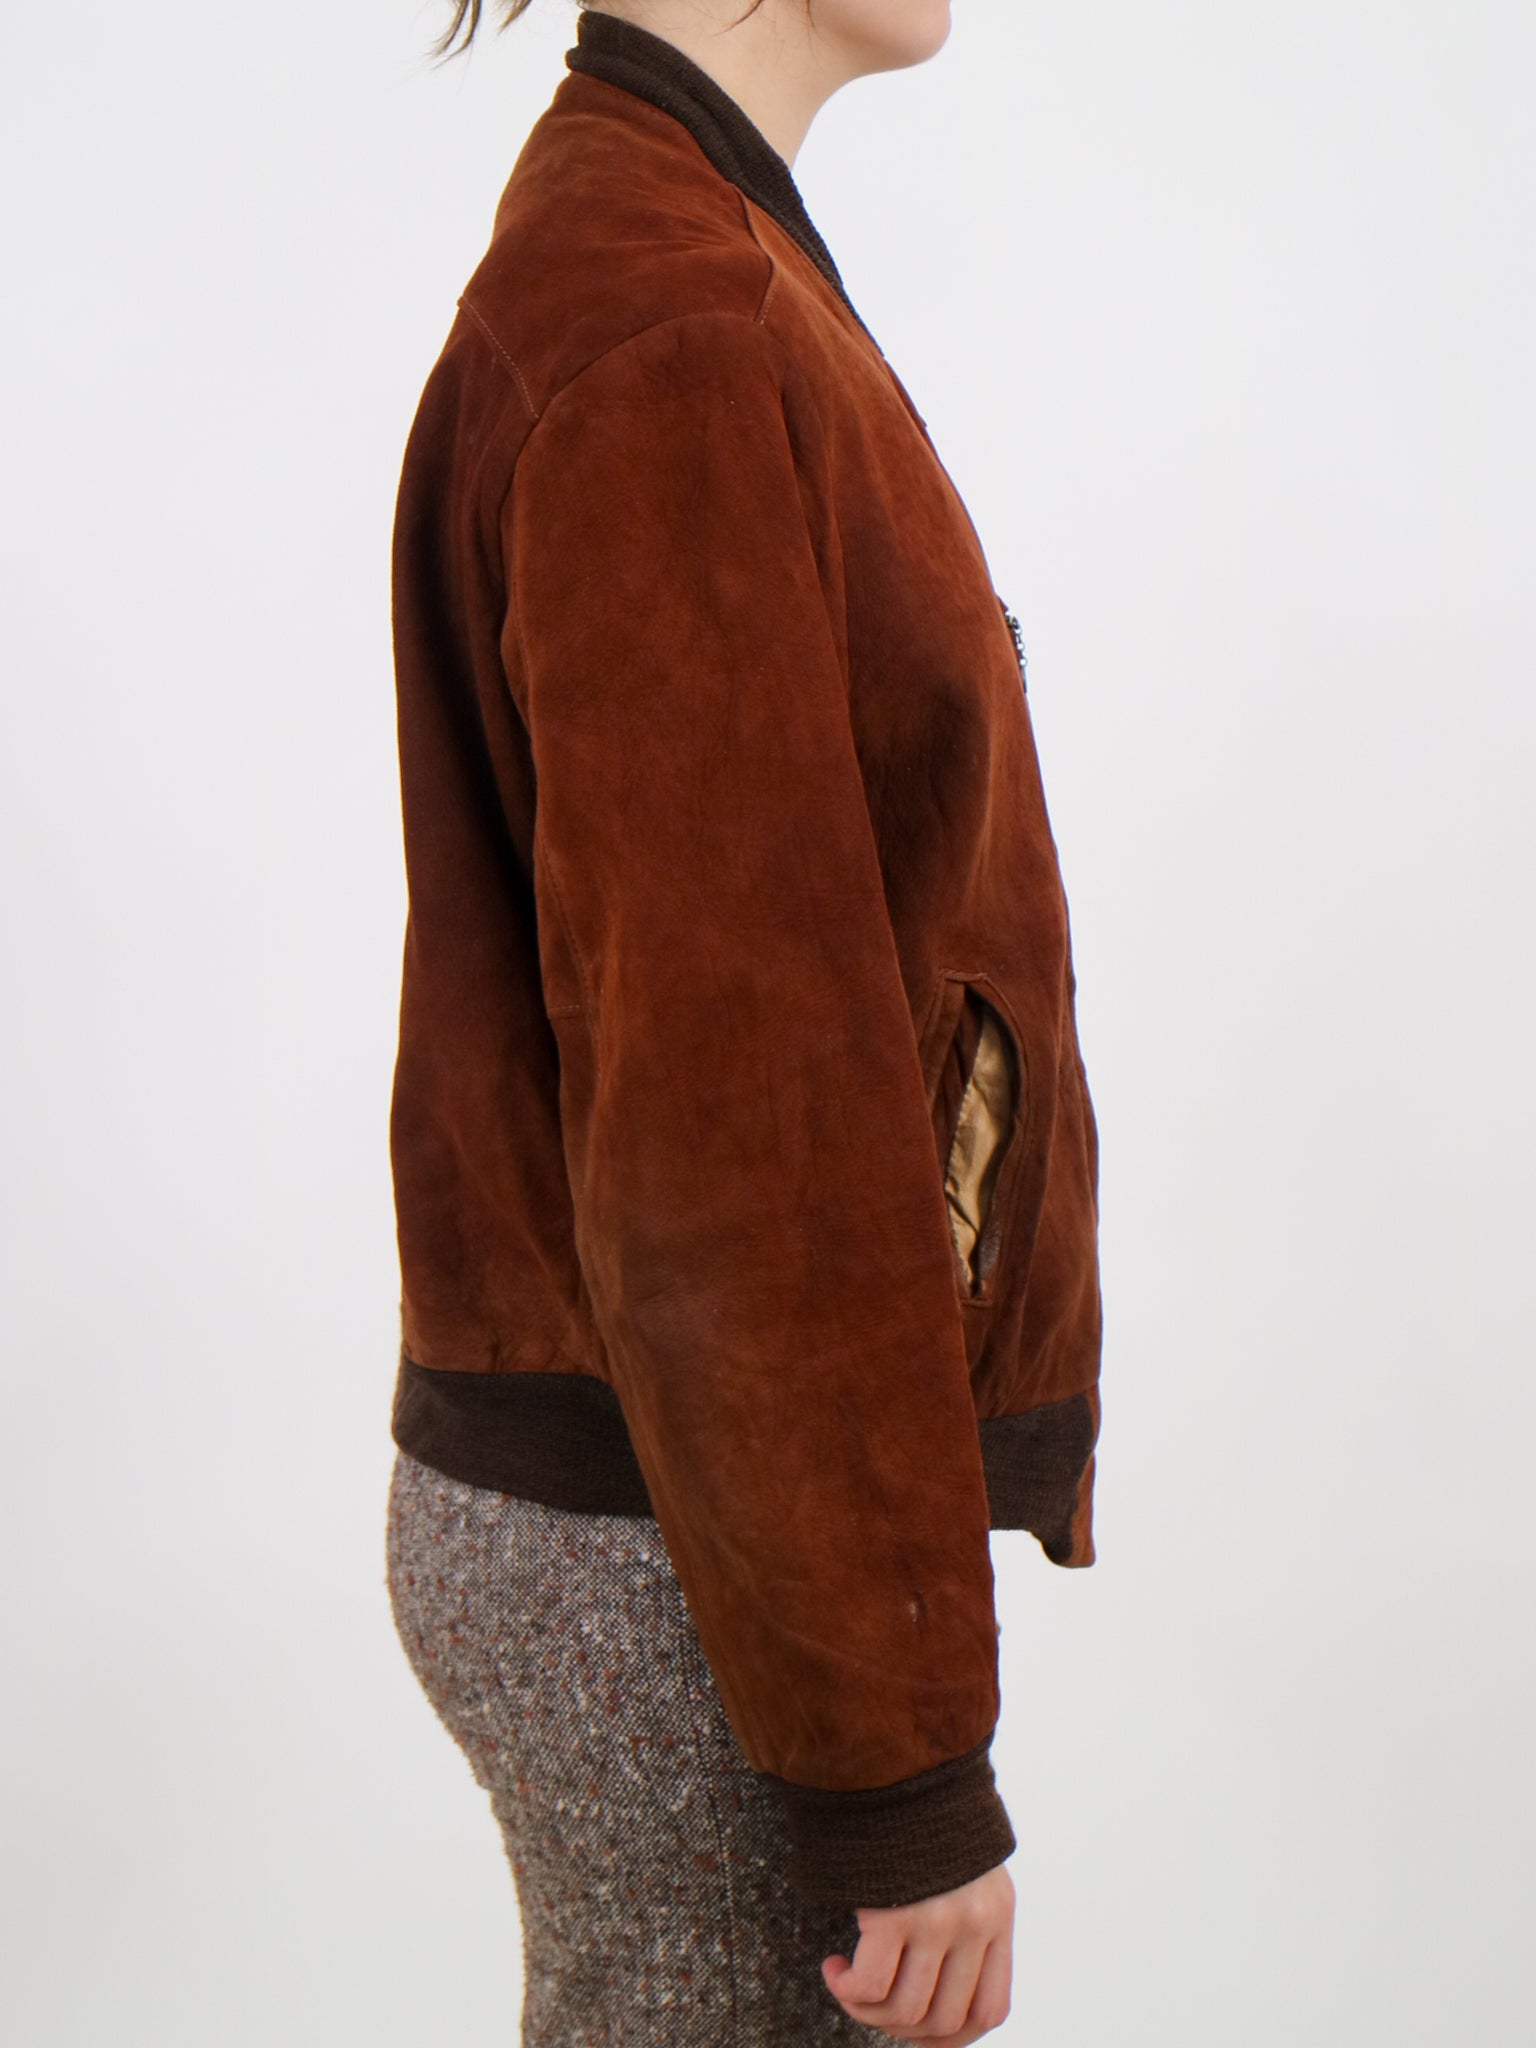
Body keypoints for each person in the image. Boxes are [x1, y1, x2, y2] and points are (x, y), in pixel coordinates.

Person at [382, 3, 1105, 2043]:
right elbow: (738, 1115)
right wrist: (897, 1771)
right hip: (677, 1545)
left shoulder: (683, 242)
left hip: (689, 1503)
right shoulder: (672, 318)